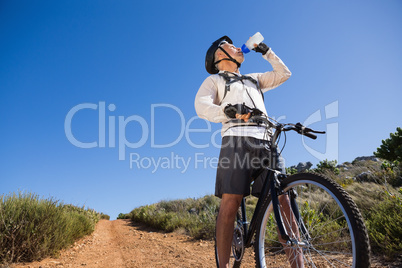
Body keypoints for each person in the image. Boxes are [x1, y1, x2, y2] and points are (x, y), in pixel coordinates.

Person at [194, 36, 302, 268]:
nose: (237, 46)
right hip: (236, 139)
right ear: (219, 55)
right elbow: (202, 106)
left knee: (283, 200)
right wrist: (229, 111)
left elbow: (284, 74)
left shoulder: (254, 79)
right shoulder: (214, 80)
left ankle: (299, 265)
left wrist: (267, 51)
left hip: (266, 140)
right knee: (230, 202)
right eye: (229, 45)